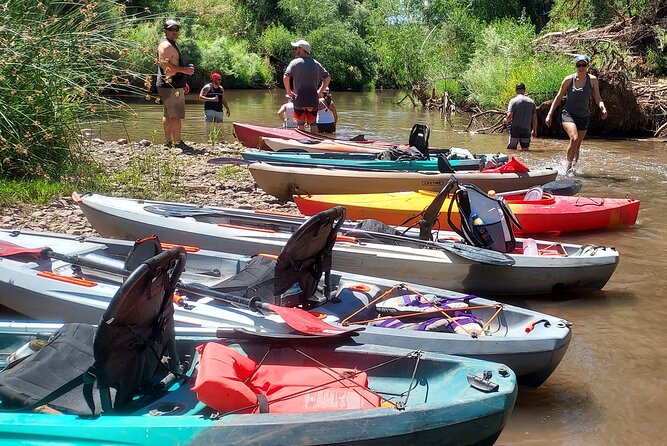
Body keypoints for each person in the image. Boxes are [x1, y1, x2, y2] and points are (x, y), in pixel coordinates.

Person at [545, 54, 607, 175]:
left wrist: (602, 108)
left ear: (588, 66)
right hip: (568, 113)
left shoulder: (593, 80)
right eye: (579, 65)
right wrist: (549, 114)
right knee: (574, 138)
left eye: (584, 65)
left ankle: (574, 167)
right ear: (576, 66)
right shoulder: (568, 80)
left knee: (577, 145)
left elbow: (597, 97)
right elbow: (558, 97)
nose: (581, 67)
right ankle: (567, 167)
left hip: (583, 116)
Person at [156, 19, 196, 152]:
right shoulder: (166, 46)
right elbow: (165, 66)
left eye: (176, 29)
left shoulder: (170, 44)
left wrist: (183, 81)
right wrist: (184, 70)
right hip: (170, 86)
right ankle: (178, 143)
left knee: (168, 114)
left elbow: (170, 65)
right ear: (165, 30)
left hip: (171, 84)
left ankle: (168, 142)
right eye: (171, 29)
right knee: (176, 115)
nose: (174, 32)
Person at [283, 39, 330, 133]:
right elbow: (327, 78)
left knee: (300, 123)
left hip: (299, 99)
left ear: (301, 49)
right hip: (313, 100)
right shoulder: (317, 64)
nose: (295, 50)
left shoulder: (294, 63)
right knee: (313, 124)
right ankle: (315, 142)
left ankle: (302, 141)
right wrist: (320, 91)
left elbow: (286, 77)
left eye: (296, 48)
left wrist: (288, 91)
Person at [504, 82, 537, 151]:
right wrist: (534, 130)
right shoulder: (531, 102)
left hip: (515, 130)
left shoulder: (513, 101)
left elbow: (509, 115)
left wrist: (505, 121)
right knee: (525, 151)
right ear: (524, 90)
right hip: (526, 130)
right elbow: (534, 118)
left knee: (511, 150)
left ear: (516, 90)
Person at [199, 72, 230, 142]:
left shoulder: (221, 88)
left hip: (219, 110)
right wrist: (211, 99)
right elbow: (200, 97)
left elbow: (224, 100)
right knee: (208, 126)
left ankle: (219, 140)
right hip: (209, 110)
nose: (220, 81)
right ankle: (208, 140)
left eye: (220, 80)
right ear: (214, 79)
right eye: (218, 80)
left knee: (220, 127)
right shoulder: (207, 87)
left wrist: (227, 109)